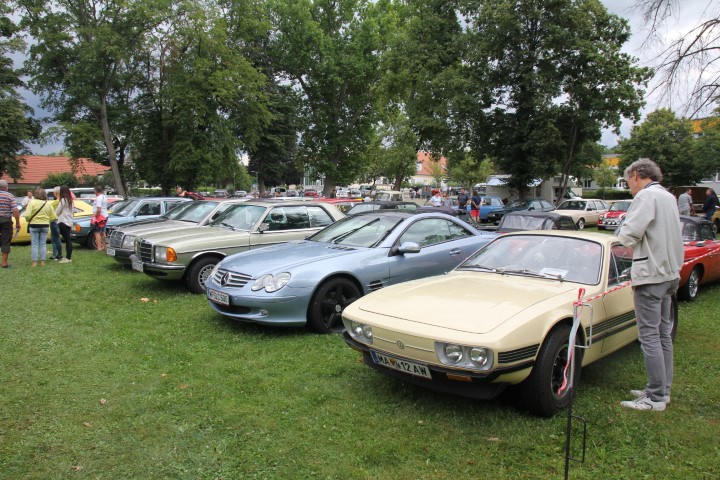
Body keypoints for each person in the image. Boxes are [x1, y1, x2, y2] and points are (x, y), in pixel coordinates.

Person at [616, 158, 683, 412]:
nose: (629, 187)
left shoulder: (646, 197)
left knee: (649, 337)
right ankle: (662, 390)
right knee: (663, 334)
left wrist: (619, 238)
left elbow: (628, 234)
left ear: (635, 174)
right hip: (669, 273)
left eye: (628, 181)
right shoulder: (668, 197)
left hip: (651, 275)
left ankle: (654, 398)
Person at [23, 187, 58, 267]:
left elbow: (27, 215)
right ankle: (42, 261)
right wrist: (47, 220)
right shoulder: (48, 203)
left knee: (34, 244)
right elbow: (54, 217)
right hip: (45, 225)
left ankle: (34, 262)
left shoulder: (32, 202)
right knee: (43, 244)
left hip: (34, 225)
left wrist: (29, 219)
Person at [0, 179, 22, 268]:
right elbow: (15, 211)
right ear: (6, 187)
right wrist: (17, 223)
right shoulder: (9, 196)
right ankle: (4, 263)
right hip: (6, 220)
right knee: (6, 240)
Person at [55, 185, 74, 263]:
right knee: (68, 240)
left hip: (63, 221)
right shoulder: (71, 200)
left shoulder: (63, 200)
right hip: (69, 222)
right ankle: (68, 257)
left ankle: (68, 258)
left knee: (67, 240)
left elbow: (57, 211)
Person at [92, 185, 109, 252]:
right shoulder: (104, 197)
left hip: (100, 216)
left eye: (94, 191)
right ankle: (104, 246)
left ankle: (99, 247)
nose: (94, 192)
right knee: (103, 232)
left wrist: (95, 217)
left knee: (97, 232)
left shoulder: (98, 198)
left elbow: (98, 209)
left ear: (96, 191)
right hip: (105, 215)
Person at [49, 186, 63, 260]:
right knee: (57, 238)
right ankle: (57, 254)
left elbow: (52, 212)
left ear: (56, 193)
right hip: (60, 221)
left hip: (54, 221)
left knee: (55, 239)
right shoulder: (62, 201)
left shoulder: (56, 202)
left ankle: (57, 254)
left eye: (54, 192)